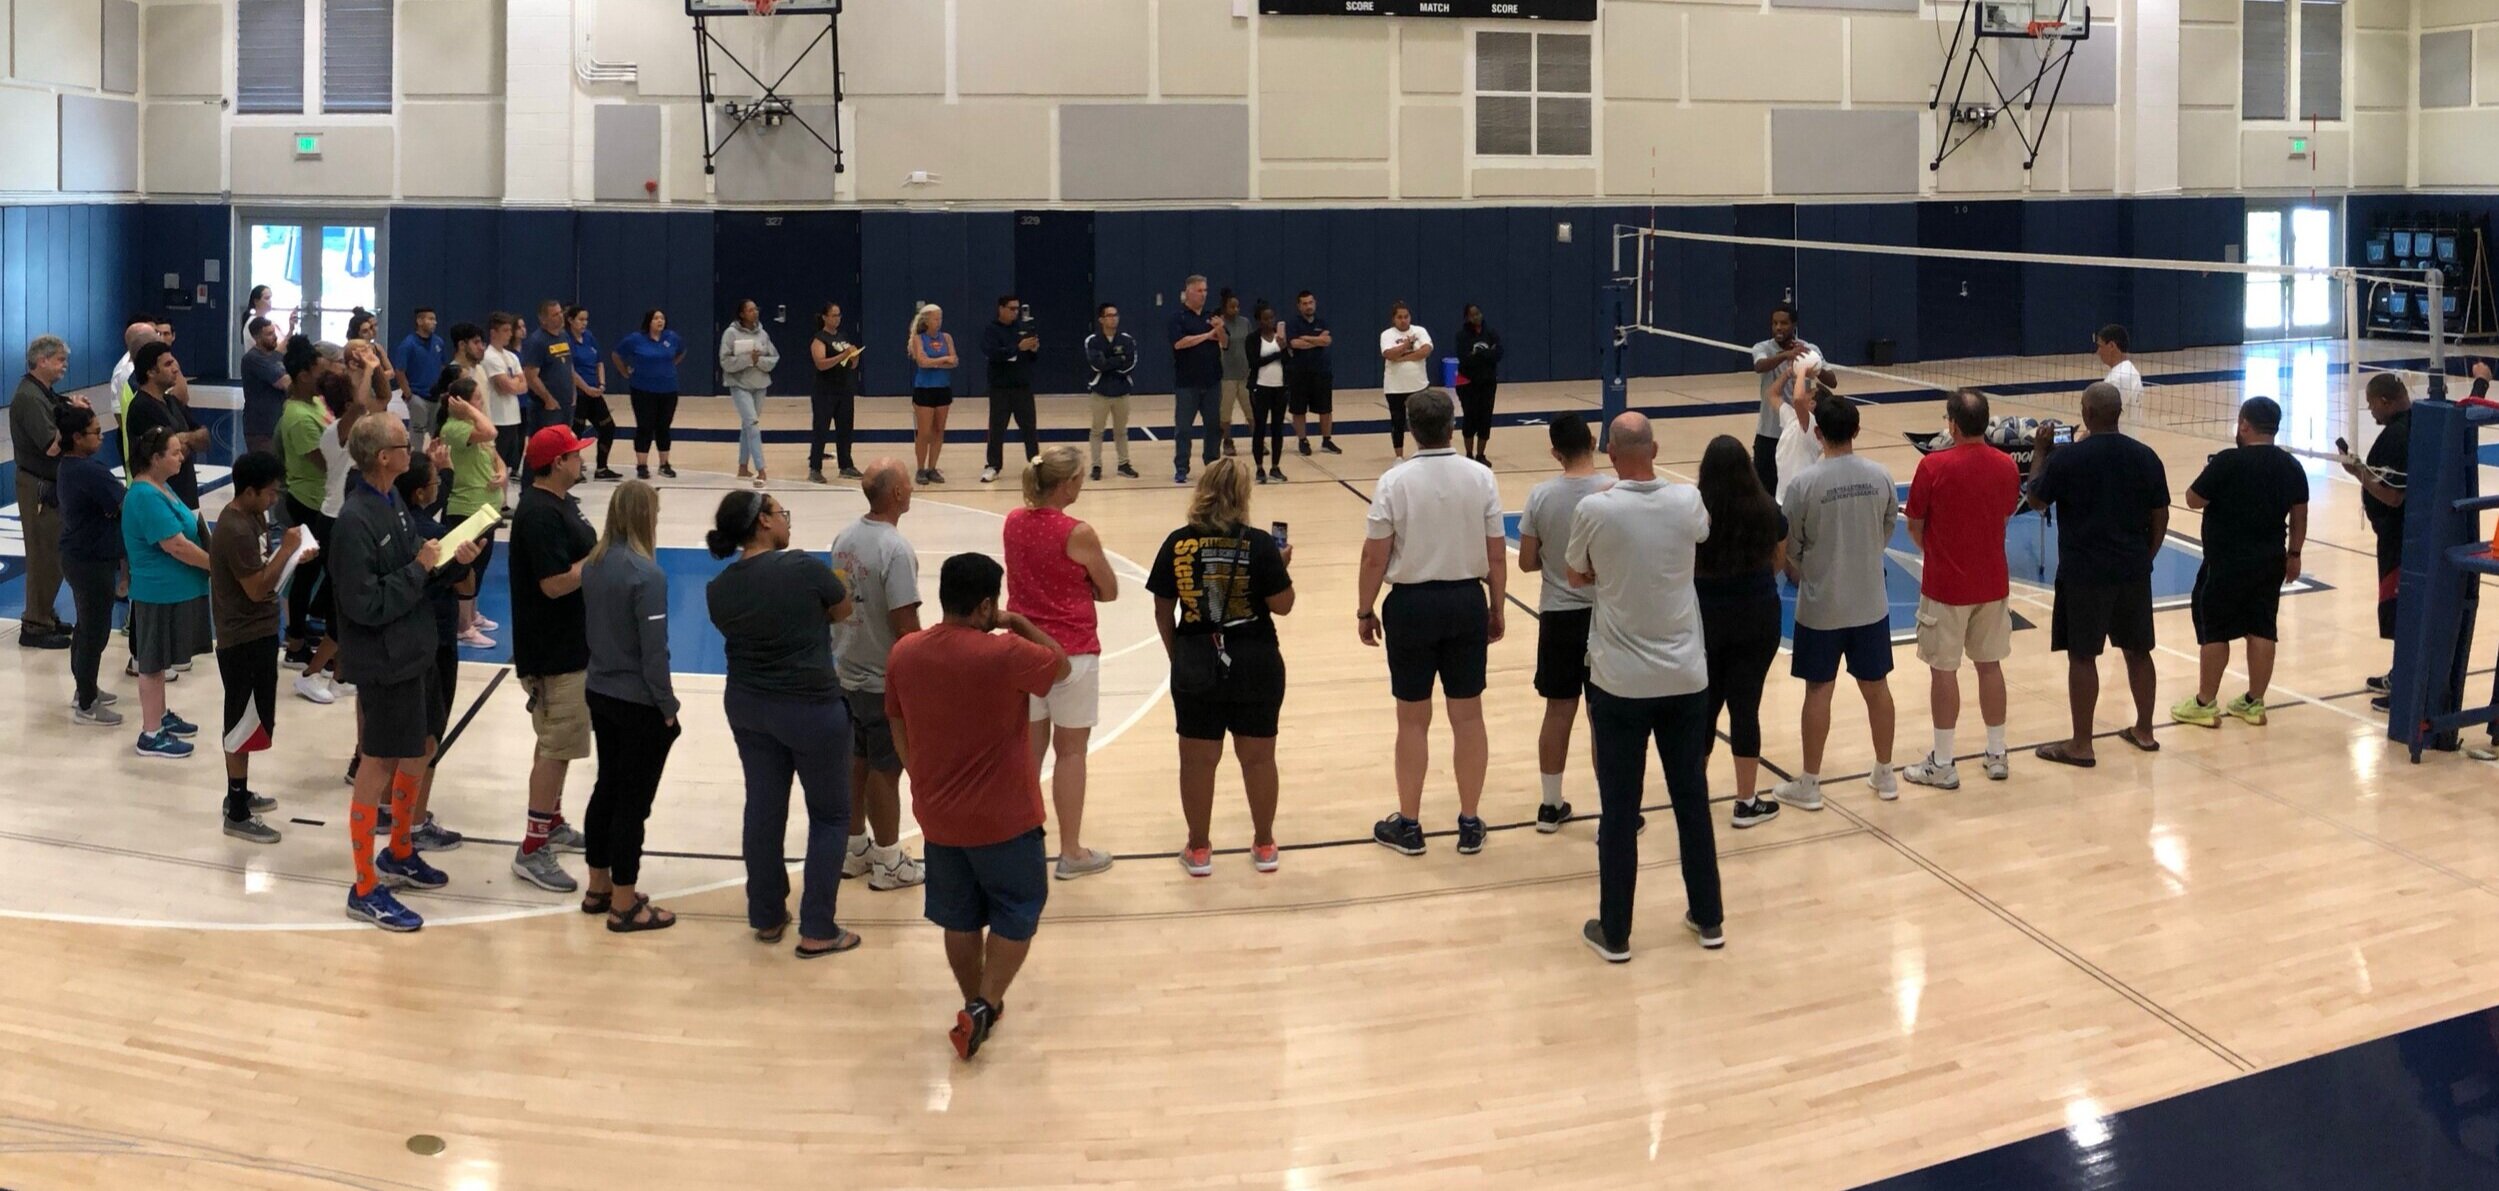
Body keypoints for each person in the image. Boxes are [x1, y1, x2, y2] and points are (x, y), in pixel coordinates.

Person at [886, 552, 1071, 1061]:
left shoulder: (905, 653)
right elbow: (1061, 665)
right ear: (987, 605)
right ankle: (986, 1004)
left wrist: (919, 777)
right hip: (1006, 816)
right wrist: (1020, 622)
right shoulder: (1005, 652)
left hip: (938, 817)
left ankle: (974, 1002)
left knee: (960, 917)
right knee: (1019, 908)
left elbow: (896, 722)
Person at [1563, 412, 1722, 960]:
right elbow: (1698, 536)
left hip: (1620, 683)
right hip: (1685, 678)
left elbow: (1575, 574)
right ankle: (1709, 917)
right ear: (1655, 450)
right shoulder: (1687, 501)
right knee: (1691, 799)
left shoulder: (1595, 509)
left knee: (1619, 808)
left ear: (1609, 454)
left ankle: (1616, 932)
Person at [331, 414, 478, 932]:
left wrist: (453, 562)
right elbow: (364, 603)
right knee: (378, 764)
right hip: (384, 660)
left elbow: (418, 569)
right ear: (383, 457)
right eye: (402, 443)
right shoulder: (354, 522)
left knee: (422, 746)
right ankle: (363, 886)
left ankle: (399, 851)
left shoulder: (392, 501)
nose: (410, 449)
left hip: (414, 649)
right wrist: (420, 568)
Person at [704, 489, 859, 958]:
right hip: (811, 707)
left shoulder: (718, 588)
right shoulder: (803, 567)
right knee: (830, 816)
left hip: (749, 707)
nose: (786, 520)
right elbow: (844, 610)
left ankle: (768, 915)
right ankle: (818, 928)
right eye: (780, 512)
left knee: (763, 809)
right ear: (764, 522)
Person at [1357, 389, 1506, 855]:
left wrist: (1364, 609)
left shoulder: (1393, 481)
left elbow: (1374, 556)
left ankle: (1409, 826)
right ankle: (1469, 823)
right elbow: (1497, 554)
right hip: (1465, 600)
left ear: (1411, 428)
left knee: (1412, 720)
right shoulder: (1481, 477)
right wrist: (1497, 607)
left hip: (1411, 605)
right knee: (1468, 716)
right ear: (1452, 426)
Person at [1148, 458, 1295, 876]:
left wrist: (1178, 655)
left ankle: (1198, 850)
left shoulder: (1178, 542)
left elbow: (1162, 608)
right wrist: (1280, 568)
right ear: (1242, 495)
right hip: (1256, 660)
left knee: (1197, 762)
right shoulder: (1260, 544)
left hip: (1196, 659)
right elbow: (1283, 606)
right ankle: (1264, 844)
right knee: (1259, 759)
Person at [2028, 381, 2169, 767]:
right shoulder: (2146, 456)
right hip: (2132, 570)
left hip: (2084, 574)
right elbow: (2161, 514)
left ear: (2086, 414)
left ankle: (2082, 744)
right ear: (2118, 414)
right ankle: (2145, 731)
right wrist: (2147, 556)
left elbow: (2036, 498)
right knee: (2138, 651)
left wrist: (2040, 452)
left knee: (2082, 655)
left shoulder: (2068, 459)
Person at [1777, 397, 1900, 806]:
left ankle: (1810, 784)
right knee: (1877, 688)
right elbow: (1887, 526)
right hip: (1870, 604)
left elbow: (1791, 544)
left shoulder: (1803, 484)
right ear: (1857, 431)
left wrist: (1810, 568)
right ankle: (1886, 775)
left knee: (1818, 691)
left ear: (1817, 433)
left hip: (1821, 606)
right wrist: (1866, 553)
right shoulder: (1881, 476)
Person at [1005, 447, 1120, 880]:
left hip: (1024, 651)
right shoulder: (1078, 532)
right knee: (1070, 752)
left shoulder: (1013, 522)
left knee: (1027, 753)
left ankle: (1018, 846)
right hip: (1070, 653)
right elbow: (1109, 590)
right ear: (1067, 483)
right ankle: (1070, 851)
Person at [1900, 389, 2021, 791]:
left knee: (1944, 670)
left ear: (1952, 425)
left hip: (1946, 586)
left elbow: (1914, 524)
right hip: (1993, 583)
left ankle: (1943, 762)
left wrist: (1939, 552)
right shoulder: (2006, 465)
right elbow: (2005, 515)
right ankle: (1997, 753)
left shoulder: (1933, 466)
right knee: (1990, 665)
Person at [581, 479, 681, 932]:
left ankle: (598, 886)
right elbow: (653, 653)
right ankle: (625, 904)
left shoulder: (593, 565)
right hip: (637, 702)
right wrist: (667, 706)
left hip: (599, 691)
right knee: (632, 804)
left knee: (607, 788)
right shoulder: (647, 575)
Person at [2174, 396, 2309, 729]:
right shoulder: (2291, 466)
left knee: (2215, 630)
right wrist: (2294, 554)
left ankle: (2205, 703)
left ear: (2244, 425)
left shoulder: (2227, 462)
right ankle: (2253, 702)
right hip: (2270, 561)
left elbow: (2192, 500)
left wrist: (2210, 476)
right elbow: (2300, 515)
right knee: (2262, 626)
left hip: (2225, 562)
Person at [508, 425, 601, 892]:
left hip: (571, 644)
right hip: (553, 651)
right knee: (556, 748)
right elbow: (553, 583)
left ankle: (553, 822)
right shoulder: (540, 514)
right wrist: (597, 561)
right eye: (575, 454)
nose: (582, 460)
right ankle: (532, 847)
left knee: (555, 743)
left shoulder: (560, 504)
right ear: (558, 463)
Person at [830, 459, 930, 892]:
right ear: (897, 494)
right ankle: (889, 861)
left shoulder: (843, 539)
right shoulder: (895, 549)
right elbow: (905, 623)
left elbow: (839, 603)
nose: (912, 487)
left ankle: (855, 850)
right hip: (882, 679)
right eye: (907, 481)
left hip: (845, 670)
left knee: (856, 762)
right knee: (886, 770)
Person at [1514, 414, 1607, 832]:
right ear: (1593, 439)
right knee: (1602, 716)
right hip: (1605, 617)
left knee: (1558, 711)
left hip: (1558, 615)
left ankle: (1550, 806)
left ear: (1555, 453)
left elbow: (1526, 561)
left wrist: (1556, 563)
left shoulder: (1540, 496)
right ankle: (1612, 810)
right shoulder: (1613, 490)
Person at [208, 450, 303, 843]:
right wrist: (287, 551)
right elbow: (256, 587)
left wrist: (294, 556)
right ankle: (237, 811)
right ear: (249, 491)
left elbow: (266, 572)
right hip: (242, 638)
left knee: (256, 720)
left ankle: (240, 792)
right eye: (269, 493)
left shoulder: (254, 518)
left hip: (261, 631)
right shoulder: (234, 530)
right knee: (241, 722)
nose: (274, 499)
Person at [1694, 436, 1787, 828]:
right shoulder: (1767, 509)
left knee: (1704, 709)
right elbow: (1778, 563)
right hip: (1757, 616)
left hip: (1706, 619)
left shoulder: (1695, 512)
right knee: (1746, 708)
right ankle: (1746, 801)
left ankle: (1694, 801)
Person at [389, 453, 471, 854]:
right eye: (436, 481)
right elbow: (463, 584)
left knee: (399, 733)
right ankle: (415, 822)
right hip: (435, 640)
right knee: (429, 735)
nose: (439, 487)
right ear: (421, 492)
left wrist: (447, 471)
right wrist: (465, 563)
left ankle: (393, 810)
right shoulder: (433, 537)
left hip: (400, 640)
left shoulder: (394, 522)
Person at [122, 428, 211, 760]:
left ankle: (160, 715)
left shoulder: (162, 486)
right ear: (155, 458)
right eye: (174, 452)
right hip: (157, 592)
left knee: (160, 661)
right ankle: (150, 733)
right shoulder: (145, 495)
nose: (181, 457)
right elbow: (176, 545)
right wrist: (216, 566)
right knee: (151, 662)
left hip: (173, 591)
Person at [55, 407, 125, 724]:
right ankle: (86, 703)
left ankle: (84, 688)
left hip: (79, 556)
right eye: (96, 432)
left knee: (85, 627)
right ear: (77, 438)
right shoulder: (89, 471)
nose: (102, 437)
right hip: (90, 560)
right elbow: (122, 502)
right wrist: (113, 509)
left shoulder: (70, 466)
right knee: (94, 632)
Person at [12, 334, 80, 648]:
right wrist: (76, 425)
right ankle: (35, 625)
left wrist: (71, 409)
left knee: (54, 552)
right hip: (38, 485)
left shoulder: (44, 393)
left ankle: (45, 613)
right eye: (60, 360)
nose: (64, 366)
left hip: (50, 483)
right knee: (43, 554)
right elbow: (52, 445)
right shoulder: (29, 397)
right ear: (42, 361)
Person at [2349, 371, 2412, 707]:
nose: (2370, 410)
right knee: (2402, 612)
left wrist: (2358, 471)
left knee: (2402, 613)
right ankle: (2400, 674)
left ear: (2385, 401)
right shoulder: (2417, 422)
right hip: (2404, 536)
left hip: (2398, 539)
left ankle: (2405, 687)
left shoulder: (2396, 436)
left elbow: (2393, 496)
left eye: (2371, 404)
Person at [276, 341, 334, 674]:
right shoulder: (297, 417)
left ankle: (307, 625)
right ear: (302, 376)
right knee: (308, 572)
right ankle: (296, 643)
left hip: (321, 499)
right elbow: (325, 461)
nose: (324, 379)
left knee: (319, 569)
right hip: (308, 502)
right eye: (319, 373)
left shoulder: (314, 402)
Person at [432, 372, 502, 648]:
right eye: (476, 400)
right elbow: (491, 432)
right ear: (461, 403)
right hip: (466, 507)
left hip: (486, 506)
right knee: (465, 571)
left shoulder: (473, 424)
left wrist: (501, 472)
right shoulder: (454, 429)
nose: (481, 404)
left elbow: (495, 453)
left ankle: (472, 615)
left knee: (480, 567)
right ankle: (463, 627)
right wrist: (470, 411)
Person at [122, 342, 207, 510]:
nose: (175, 369)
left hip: (186, 497)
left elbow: (204, 438)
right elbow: (167, 453)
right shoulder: (141, 407)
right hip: (162, 500)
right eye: (168, 364)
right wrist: (186, 441)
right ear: (151, 372)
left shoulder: (172, 401)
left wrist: (183, 439)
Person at [1750, 303, 1818, 500]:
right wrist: (1786, 356)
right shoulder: (1762, 347)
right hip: (1768, 433)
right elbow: (1759, 366)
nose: (1778, 327)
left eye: (1784, 323)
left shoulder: (1809, 349)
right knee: (1763, 492)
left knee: (1796, 490)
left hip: (1799, 431)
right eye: (1775, 323)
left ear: (1794, 325)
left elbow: (1832, 381)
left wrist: (1814, 367)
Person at [611, 309, 685, 480]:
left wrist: (671, 365)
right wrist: (625, 372)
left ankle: (664, 464)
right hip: (643, 390)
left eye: (662, 318)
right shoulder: (635, 339)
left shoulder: (671, 337)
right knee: (645, 426)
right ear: (649, 321)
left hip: (668, 389)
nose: (660, 321)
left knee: (664, 426)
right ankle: (642, 465)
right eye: (656, 318)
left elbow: (681, 351)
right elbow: (616, 355)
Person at [1169, 275, 1227, 485]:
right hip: (1187, 383)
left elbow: (1225, 343)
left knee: (1213, 427)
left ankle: (1212, 465)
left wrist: (1219, 329)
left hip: (1212, 381)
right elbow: (1179, 343)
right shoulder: (1178, 317)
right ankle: (1181, 467)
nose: (1203, 294)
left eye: (1205, 290)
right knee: (1184, 428)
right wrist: (1207, 335)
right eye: (1199, 290)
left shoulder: (1211, 317)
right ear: (1189, 292)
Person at [980, 295, 1041, 485]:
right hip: (1000, 387)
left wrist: (1033, 349)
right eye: (1011, 308)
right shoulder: (991, 330)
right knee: (997, 428)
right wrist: (1017, 348)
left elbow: (1031, 358)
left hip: (1022, 386)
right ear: (1001, 309)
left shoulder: (1022, 328)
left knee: (1029, 427)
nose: (1015, 312)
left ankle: (1035, 463)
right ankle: (993, 465)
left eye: (1017, 309)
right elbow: (992, 353)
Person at [1082, 303, 1138, 481]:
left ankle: (1124, 464)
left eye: (1116, 315)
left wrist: (1109, 362)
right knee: (1097, 431)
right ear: (1101, 319)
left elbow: (1130, 363)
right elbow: (1097, 364)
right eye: (1109, 315)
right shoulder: (1092, 341)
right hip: (1100, 392)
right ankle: (1096, 466)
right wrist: (1117, 360)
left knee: (1121, 431)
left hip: (1122, 392)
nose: (1113, 319)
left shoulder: (1127, 340)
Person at [808, 302, 862, 483]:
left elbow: (852, 365)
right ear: (825, 317)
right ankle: (815, 467)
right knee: (821, 429)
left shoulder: (842, 336)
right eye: (833, 315)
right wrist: (842, 356)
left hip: (844, 389)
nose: (837, 318)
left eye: (839, 315)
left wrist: (854, 357)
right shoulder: (819, 339)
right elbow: (821, 364)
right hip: (825, 391)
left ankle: (846, 465)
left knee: (845, 428)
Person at [566, 305, 620, 480]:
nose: (584, 323)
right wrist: (586, 388)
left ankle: (602, 467)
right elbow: (569, 370)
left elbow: (599, 362)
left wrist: (601, 384)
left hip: (594, 392)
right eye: (580, 319)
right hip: (578, 394)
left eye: (586, 320)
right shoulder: (566, 339)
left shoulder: (589, 337)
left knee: (608, 427)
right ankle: (573, 471)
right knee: (575, 433)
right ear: (571, 320)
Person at [1377, 302, 1435, 461]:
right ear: (1393, 319)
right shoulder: (1387, 335)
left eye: (1406, 316)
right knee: (1398, 421)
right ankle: (1399, 457)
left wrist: (1402, 357)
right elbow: (1389, 354)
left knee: (1422, 421)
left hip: (1418, 385)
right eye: (1399, 317)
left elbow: (1425, 351)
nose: (1403, 320)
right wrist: (1406, 345)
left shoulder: (1420, 331)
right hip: (1395, 388)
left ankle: (1424, 451)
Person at [908, 303, 957, 485]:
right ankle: (920, 468)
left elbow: (954, 361)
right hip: (924, 389)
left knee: (938, 430)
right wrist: (943, 360)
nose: (939, 321)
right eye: (936, 318)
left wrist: (935, 362)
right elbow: (922, 362)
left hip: (943, 388)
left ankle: (932, 467)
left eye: (940, 318)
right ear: (927, 320)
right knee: (924, 432)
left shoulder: (947, 338)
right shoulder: (918, 339)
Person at [1286, 290, 1338, 456]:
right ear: (1299, 306)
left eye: (1311, 302)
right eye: (1305, 303)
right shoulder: (1293, 323)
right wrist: (1317, 340)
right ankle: (1303, 440)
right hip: (1299, 373)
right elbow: (1295, 343)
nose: (1308, 306)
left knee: (1325, 409)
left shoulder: (1322, 321)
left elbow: (1327, 340)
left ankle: (1327, 440)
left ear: (1315, 303)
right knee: (1299, 409)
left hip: (1321, 372)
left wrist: (1307, 338)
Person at [521, 299, 579, 445]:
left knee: (564, 443)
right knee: (545, 445)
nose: (560, 317)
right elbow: (530, 375)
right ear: (543, 319)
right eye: (555, 315)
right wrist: (548, 399)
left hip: (566, 403)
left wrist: (573, 392)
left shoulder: (564, 336)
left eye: (560, 313)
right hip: (546, 407)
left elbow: (569, 366)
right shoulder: (537, 341)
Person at [480, 312, 530, 483]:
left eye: (510, 330)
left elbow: (524, 386)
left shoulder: (512, 356)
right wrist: (514, 382)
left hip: (512, 417)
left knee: (507, 465)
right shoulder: (489, 356)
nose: (510, 334)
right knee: (495, 464)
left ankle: (503, 497)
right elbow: (505, 387)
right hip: (497, 418)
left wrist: (513, 383)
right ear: (493, 333)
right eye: (505, 330)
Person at [1454, 304, 1503, 465]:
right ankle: (1469, 454)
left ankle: (1481, 454)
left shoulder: (1491, 333)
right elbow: (1465, 359)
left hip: (1488, 383)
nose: (1477, 317)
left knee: (1485, 418)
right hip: (1468, 383)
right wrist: (1486, 354)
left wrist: (1480, 354)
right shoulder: (1462, 336)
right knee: (1470, 418)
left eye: (1478, 313)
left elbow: (1498, 354)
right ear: (1467, 318)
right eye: (1473, 315)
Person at [1248, 301, 1290, 483]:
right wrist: (1277, 354)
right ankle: (1259, 467)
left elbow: (1288, 362)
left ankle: (1275, 466)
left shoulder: (1280, 339)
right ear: (1259, 320)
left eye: (1271, 318)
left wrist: (1284, 349)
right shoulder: (1252, 339)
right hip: (1260, 387)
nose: (1269, 321)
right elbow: (1254, 362)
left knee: (1277, 428)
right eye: (1265, 318)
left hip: (1279, 387)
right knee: (1259, 427)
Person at [392, 307, 447, 444]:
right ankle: (416, 455)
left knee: (436, 433)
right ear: (420, 321)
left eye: (435, 319)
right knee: (417, 433)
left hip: (436, 396)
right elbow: (399, 371)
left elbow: (442, 366)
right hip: (417, 395)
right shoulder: (408, 344)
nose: (434, 322)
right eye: (431, 319)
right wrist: (409, 395)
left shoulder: (439, 342)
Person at [238, 317, 289, 457]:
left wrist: (290, 330)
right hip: (261, 429)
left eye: (274, 332)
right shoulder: (253, 358)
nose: (274, 337)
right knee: (267, 465)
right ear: (257, 338)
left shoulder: (273, 356)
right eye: (269, 334)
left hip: (275, 426)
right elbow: (283, 383)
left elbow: (281, 350)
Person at [1217, 289, 1252, 458]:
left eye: (1237, 306)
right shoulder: (1219, 324)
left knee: (1251, 409)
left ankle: (1258, 440)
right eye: (1232, 307)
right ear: (1224, 307)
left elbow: (1252, 343)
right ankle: (1227, 441)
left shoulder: (1245, 322)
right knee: (1225, 412)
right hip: (1226, 375)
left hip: (1245, 373)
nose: (1236, 309)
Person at [2096, 323, 2143, 431]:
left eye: (2100, 346)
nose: (2098, 352)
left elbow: (2103, 420)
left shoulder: (2119, 378)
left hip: (2116, 440)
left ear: (2111, 346)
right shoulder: (2127, 370)